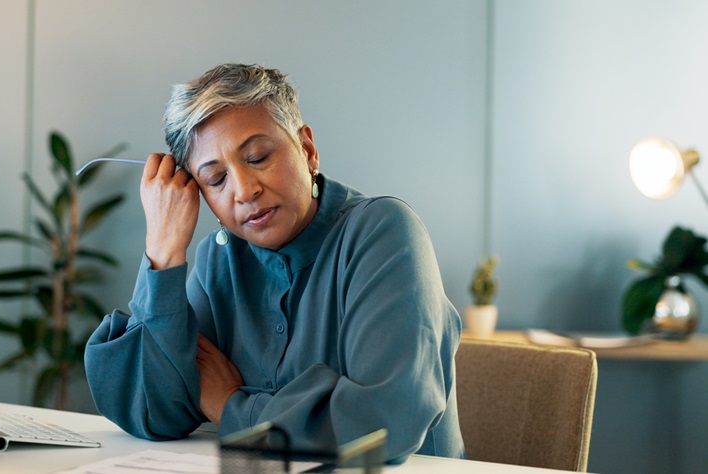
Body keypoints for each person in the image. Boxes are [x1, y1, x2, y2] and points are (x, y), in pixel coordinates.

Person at [84, 63, 465, 462]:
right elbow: (155, 412)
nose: (245, 191)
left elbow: (383, 424)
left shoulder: (384, 232)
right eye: (215, 180)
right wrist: (163, 252)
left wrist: (230, 405)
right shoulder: (221, 257)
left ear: (307, 149)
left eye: (258, 156)